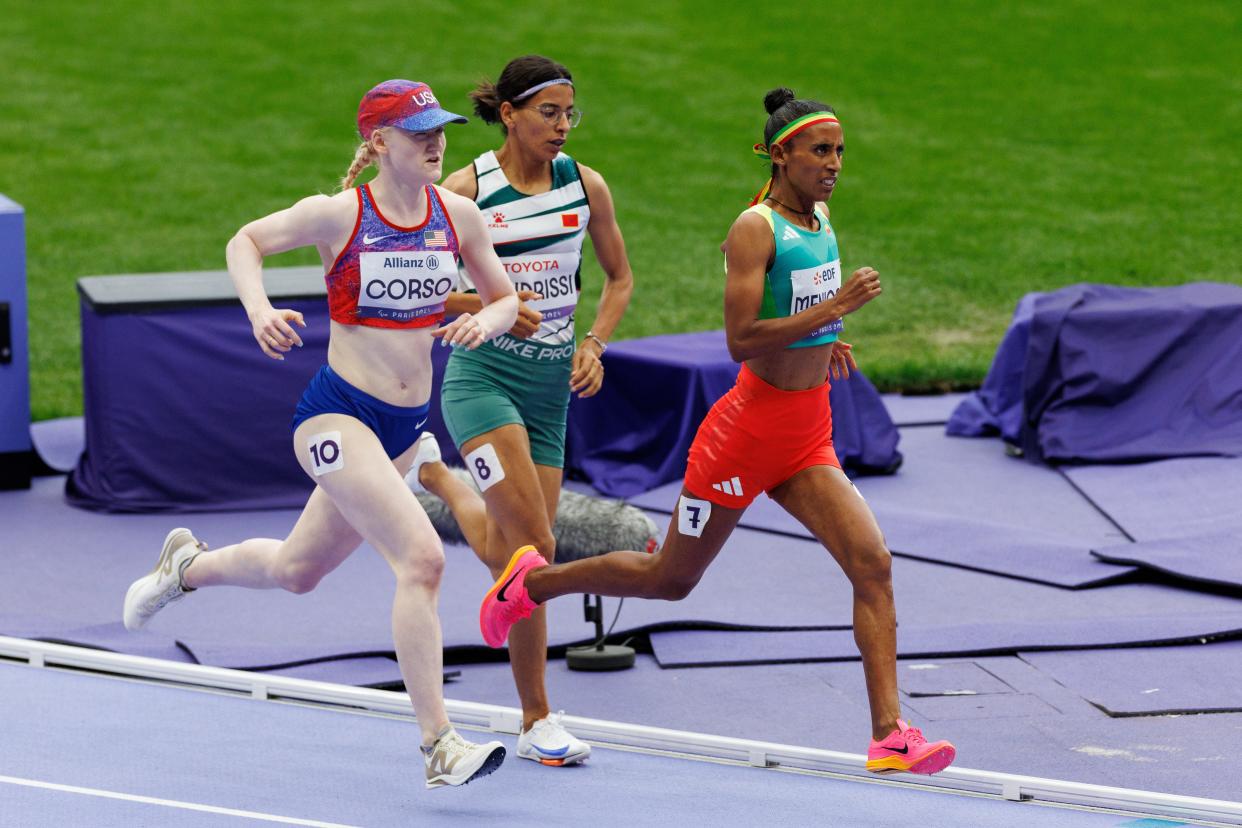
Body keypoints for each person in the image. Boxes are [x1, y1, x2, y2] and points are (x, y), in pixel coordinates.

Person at [478, 87, 957, 776]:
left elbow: (795, 310)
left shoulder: (819, 215)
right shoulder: (753, 228)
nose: (834, 164)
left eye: (840, 151)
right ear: (780, 153)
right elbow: (740, 339)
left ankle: (889, 735)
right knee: (669, 580)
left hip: (806, 432)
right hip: (745, 435)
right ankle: (534, 586)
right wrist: (834, 305)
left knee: (872, 564)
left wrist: (830, 334)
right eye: (821, 151)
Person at [121, 79, 519, 790]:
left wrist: (483, 324)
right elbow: (246, 241)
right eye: (417, 130)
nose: (435, 141)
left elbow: (505, 297)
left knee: (296, 572)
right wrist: (257, 310)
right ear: (377, 143)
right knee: (423, 560)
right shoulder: (339, 215)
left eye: (440, 128)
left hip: (402, 429)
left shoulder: (457, 215)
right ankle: (438, 744)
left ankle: (186, 568)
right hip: (335, 418)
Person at [403, 55, 634, 767]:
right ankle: (538, 714)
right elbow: (417, 285)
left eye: (571, 113)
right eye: (548, 113)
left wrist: (593, 343)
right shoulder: (468, 188)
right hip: (482, 380)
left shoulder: (584, 185)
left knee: (514, 554)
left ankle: (439, 481)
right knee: (540, 543)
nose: (563, 127)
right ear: (509, 113)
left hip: (548, 394)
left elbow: (620, 277)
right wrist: (490, 304)